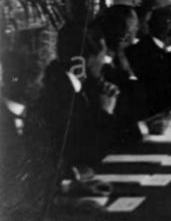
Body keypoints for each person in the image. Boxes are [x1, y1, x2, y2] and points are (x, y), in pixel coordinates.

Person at [34, 21, 122, 177]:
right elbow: (89, 151)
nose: (105, 61)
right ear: (86, 60)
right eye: (103, 55)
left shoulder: (72, 82)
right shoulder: (58, 95)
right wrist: (105, 113)